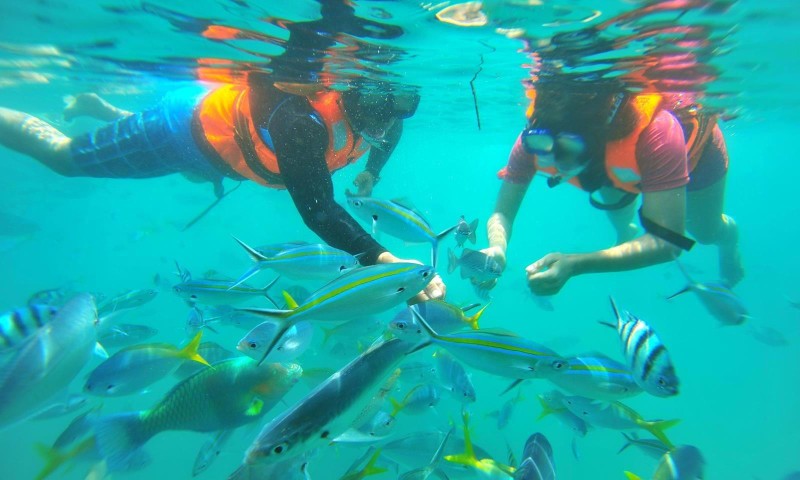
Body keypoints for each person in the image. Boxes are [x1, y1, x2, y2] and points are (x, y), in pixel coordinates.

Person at [0, 77, 445, 302]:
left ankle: (103, 109)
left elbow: (391, 130)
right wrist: (383, 259)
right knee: (64, 159)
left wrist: (373, 173)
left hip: (229, 155)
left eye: (395, 111)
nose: (386, 123)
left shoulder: (378, 115)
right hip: (180, 133)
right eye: (379, 111)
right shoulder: (303, 125)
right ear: (352, 97)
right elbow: (319, 210)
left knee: (149, 150)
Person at [480, 83, 743, 296]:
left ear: (601, 139)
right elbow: (502, 212)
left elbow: (668, 242)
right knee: (602, 180)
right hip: (614, 168)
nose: (556, 160)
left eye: (568, 150)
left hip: (695, 159)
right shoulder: (537, 136)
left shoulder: (658, 132)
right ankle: (624, 233)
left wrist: (577, 264)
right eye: (542, 144)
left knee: (705, 232)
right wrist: (497, 248)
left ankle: (728, 237)